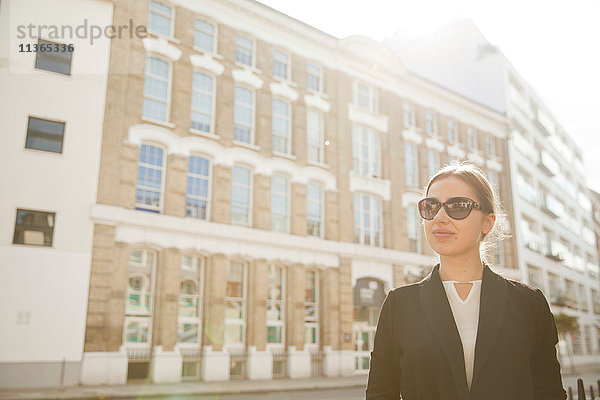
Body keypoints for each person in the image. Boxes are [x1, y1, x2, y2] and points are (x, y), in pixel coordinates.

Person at [365, 162, 566, 400]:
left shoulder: (528, 303)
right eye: (430, 207)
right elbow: (380, 394)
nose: (439, 217)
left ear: (487, 222)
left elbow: (549, 393)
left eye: (457, 206)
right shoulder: (399, 304)